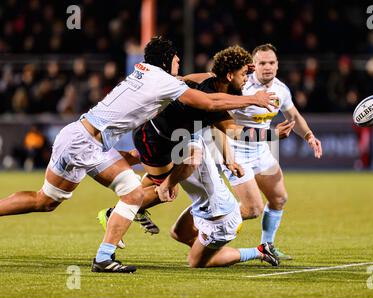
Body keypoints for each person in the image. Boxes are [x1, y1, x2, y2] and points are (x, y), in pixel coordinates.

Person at [0, 36, 275, 273]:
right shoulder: (163, 81)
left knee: (45, 201)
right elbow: (208, 101)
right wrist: (253, 98)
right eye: (177, 60)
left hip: (80, 135)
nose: (179, 66)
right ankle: (104, 258)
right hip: (86, 142)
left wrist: (235, 71)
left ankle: (112, 230)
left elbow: (201, 81)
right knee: (133, 194)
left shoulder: (146, 72)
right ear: (167, 61)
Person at [96, 45, 295, 249]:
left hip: (169, 138)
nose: (247, 78)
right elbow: (235, 130)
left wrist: (229, 159)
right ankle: (114, 213)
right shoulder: (212, 99)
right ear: (228, 75)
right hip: (155, 138)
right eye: (244, 74)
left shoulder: (211, 81)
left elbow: (217, 121)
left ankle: (127, 170)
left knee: (169, 177)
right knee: (165, 191)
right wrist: (273, 134)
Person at [221, 44, 323, 260]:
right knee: (250, 209)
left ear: (277, 65)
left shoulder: (281, 90)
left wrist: (309, 136)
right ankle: (208, 222)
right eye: (262, 63)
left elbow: (293, 116)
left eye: (272, 63)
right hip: (235, 153)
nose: (267, 67)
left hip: (261, 151)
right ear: (253, 65)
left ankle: (267, 245)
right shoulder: (241, 88)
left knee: (279, 198)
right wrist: (272, 136)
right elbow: (228, 130)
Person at [156, 130, 280, 268]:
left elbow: (191, 163)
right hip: (203, 205)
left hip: (218, 215)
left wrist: (166, 184)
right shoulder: (176, 134)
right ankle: (207, 249)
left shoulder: (190, 138)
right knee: (178, 233)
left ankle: (260, 252)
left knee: (195, 262)